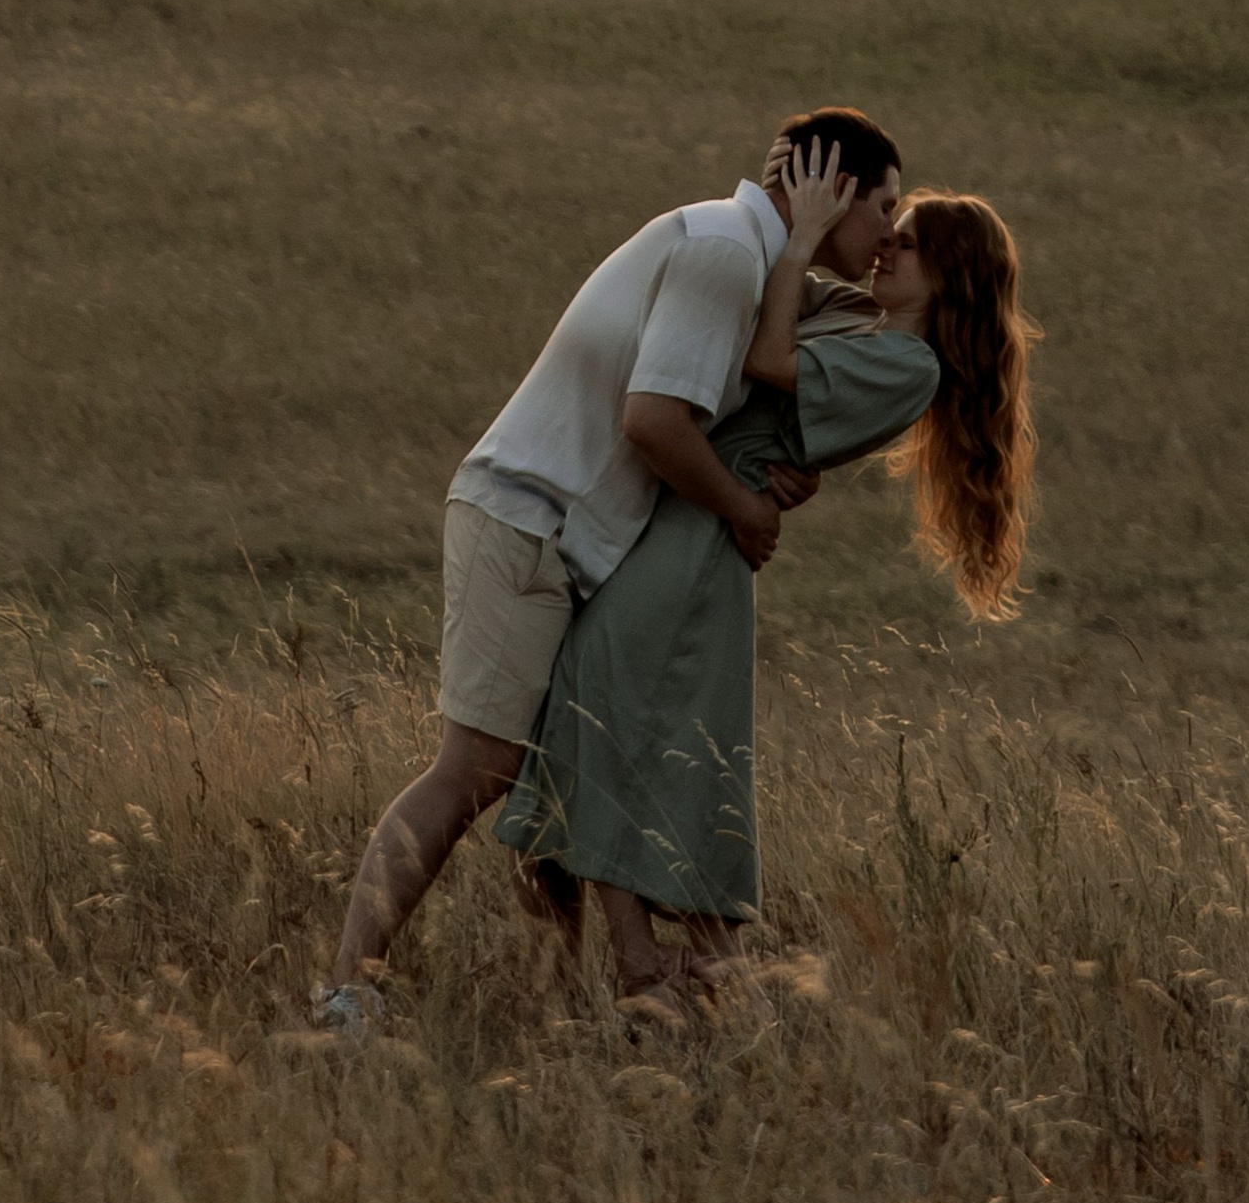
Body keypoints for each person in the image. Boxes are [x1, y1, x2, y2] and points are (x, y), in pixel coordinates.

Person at [314, 108, 904, 1033]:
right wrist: (745, 506)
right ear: (827, 187)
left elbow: (831, 358)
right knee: (475, 770)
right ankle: (347, 991)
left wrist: (786, 467)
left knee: (547, 774)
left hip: (568, 539)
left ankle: (549, 1006)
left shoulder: (755, 261)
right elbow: (654, 421)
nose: (888, 238)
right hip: (528, 520)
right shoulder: (723, 254)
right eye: (882, 209)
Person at [496, 165, 1035, 1004]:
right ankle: (679, 973)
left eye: (914, 240)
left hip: (696, 544)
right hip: (676, 519)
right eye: (894, 224)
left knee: (615, 722)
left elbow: (766, 353)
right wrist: (805, 230)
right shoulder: (865, 317)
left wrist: (810, 238)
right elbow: (756, 302)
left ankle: (660, 969)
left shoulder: (907, 366)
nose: (890, 242)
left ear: (954, 275)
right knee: (613, 722)